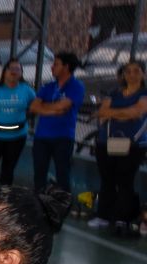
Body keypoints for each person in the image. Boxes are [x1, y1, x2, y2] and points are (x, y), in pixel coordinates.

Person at [87, 60, 147, 233]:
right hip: (107, 141)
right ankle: (103, 216)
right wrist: (123, 114)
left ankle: (123, 218)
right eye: (128, 71)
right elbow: (102, 113)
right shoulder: (114, 93)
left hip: (132, 144)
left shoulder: (144, 94)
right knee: (107, 179)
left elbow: (137, 112)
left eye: (136, 71)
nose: (132, 74)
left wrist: (115, 113)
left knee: (125, 180)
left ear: (143, 74)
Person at [29, 52, 85, 193]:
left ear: (66, 67)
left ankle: (62, 205)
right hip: (42, 136)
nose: (52, 67)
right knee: (39, 173)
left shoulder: (76, 86)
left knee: (62, 174)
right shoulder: (49, 86)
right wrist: (52, 111)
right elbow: (33, 107)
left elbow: (64, 106)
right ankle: (39, 202)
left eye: (56, 64)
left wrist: (45, 107)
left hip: (63, 137)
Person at [0, 59, 37, 188]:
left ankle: (4, 199)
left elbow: (37, 106)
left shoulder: (26, 90)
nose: (14, 72)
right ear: (5, 71)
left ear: (21, 73)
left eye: (17, 69)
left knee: (8, 171)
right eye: (11, 69)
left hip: (17, 137)